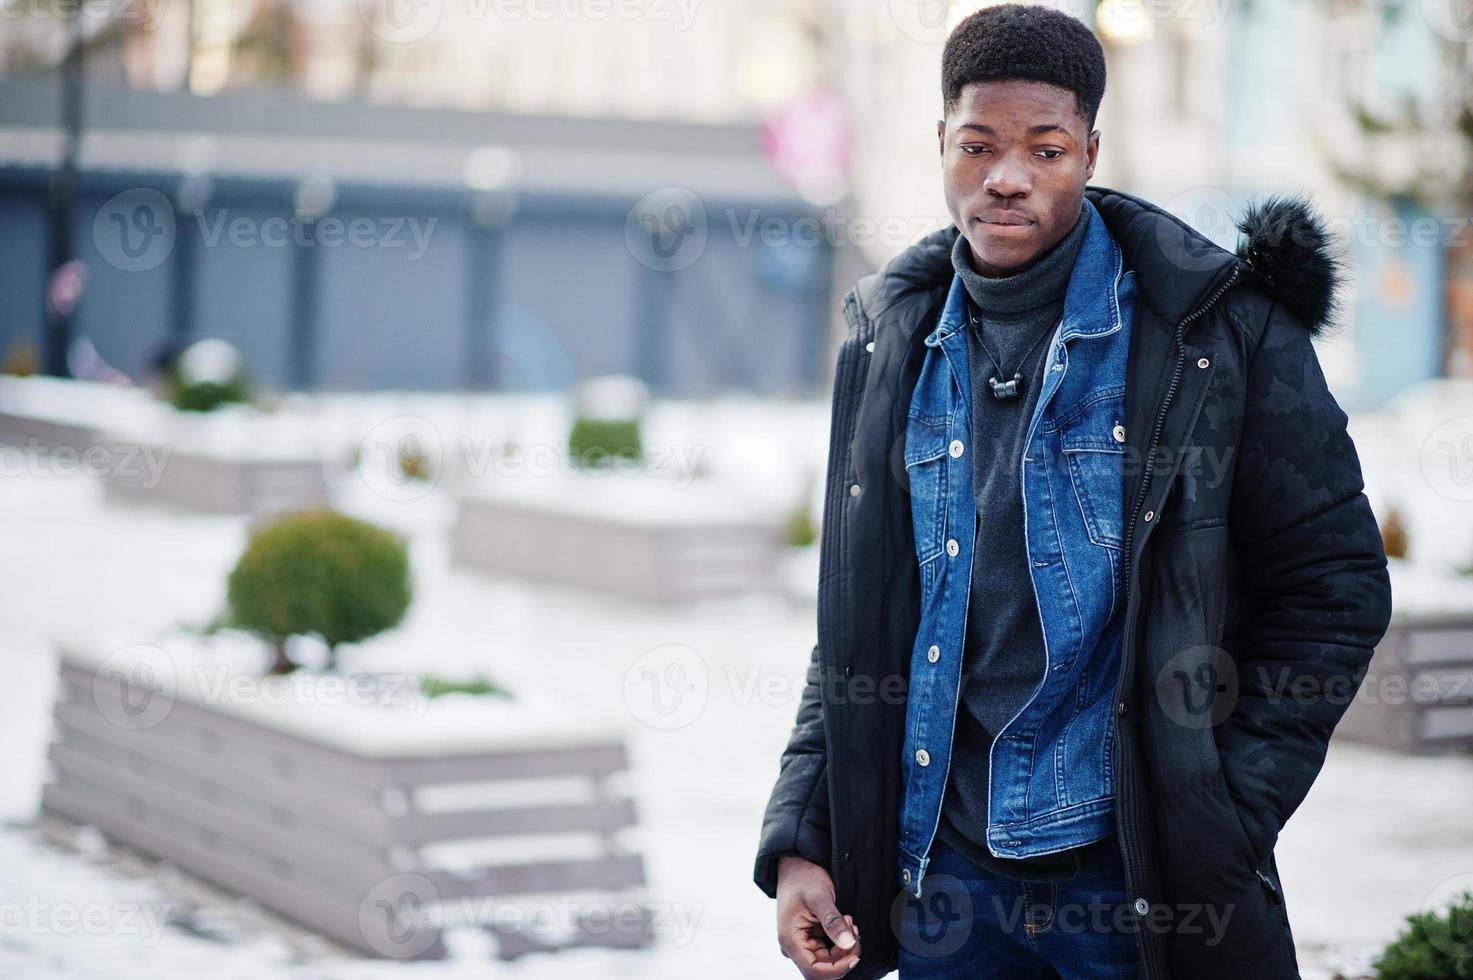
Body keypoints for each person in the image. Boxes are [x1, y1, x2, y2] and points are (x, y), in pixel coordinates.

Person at [753, 5, 1394, 979]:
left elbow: (1336, 584)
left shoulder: (1215, 334)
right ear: (941, 144)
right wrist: (805, 836)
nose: (1007, 177)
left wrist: (1218, 812)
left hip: (1131, 892)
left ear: (1090, 151)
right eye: (978, 145)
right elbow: (859, 622)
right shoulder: (890, 339)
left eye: (1045, 149)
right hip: (947, 888)